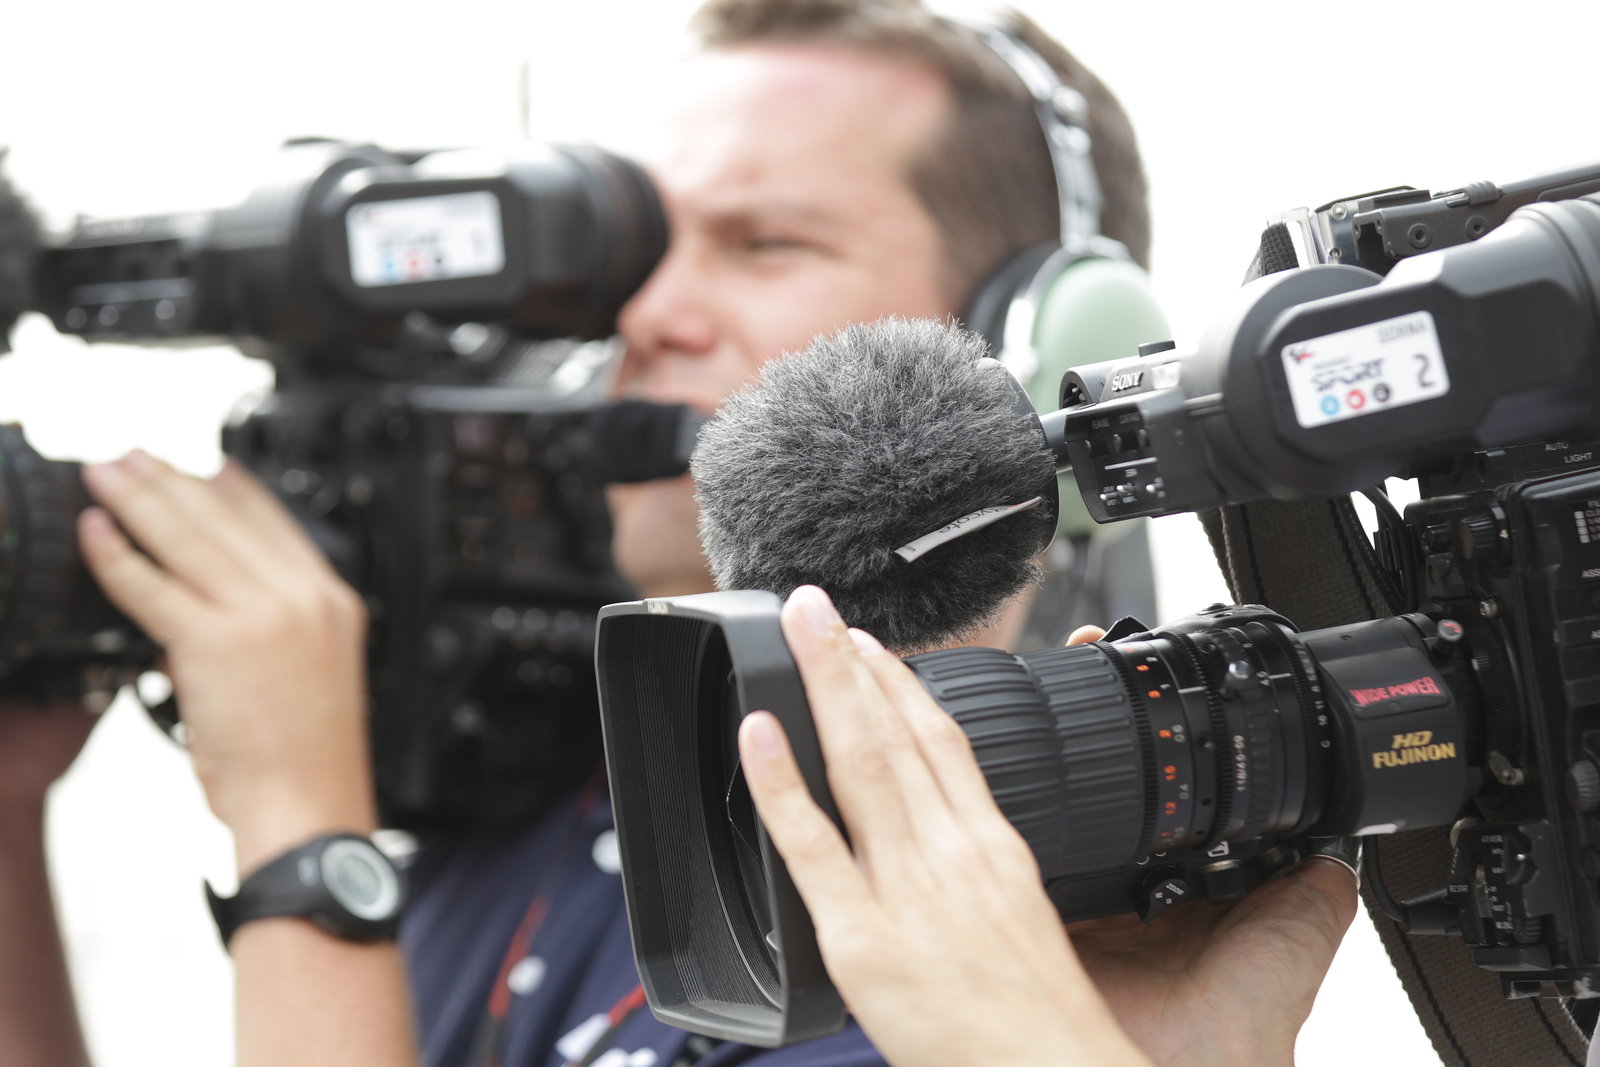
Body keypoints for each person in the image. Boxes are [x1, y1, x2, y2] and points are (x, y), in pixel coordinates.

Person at [0, 2, 1352, 1066]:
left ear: (1038, 338)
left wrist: (304, 834)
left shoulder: (1062, 941)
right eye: (635, 249)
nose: (649, 317)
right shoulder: (531, 763)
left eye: (762, 243)